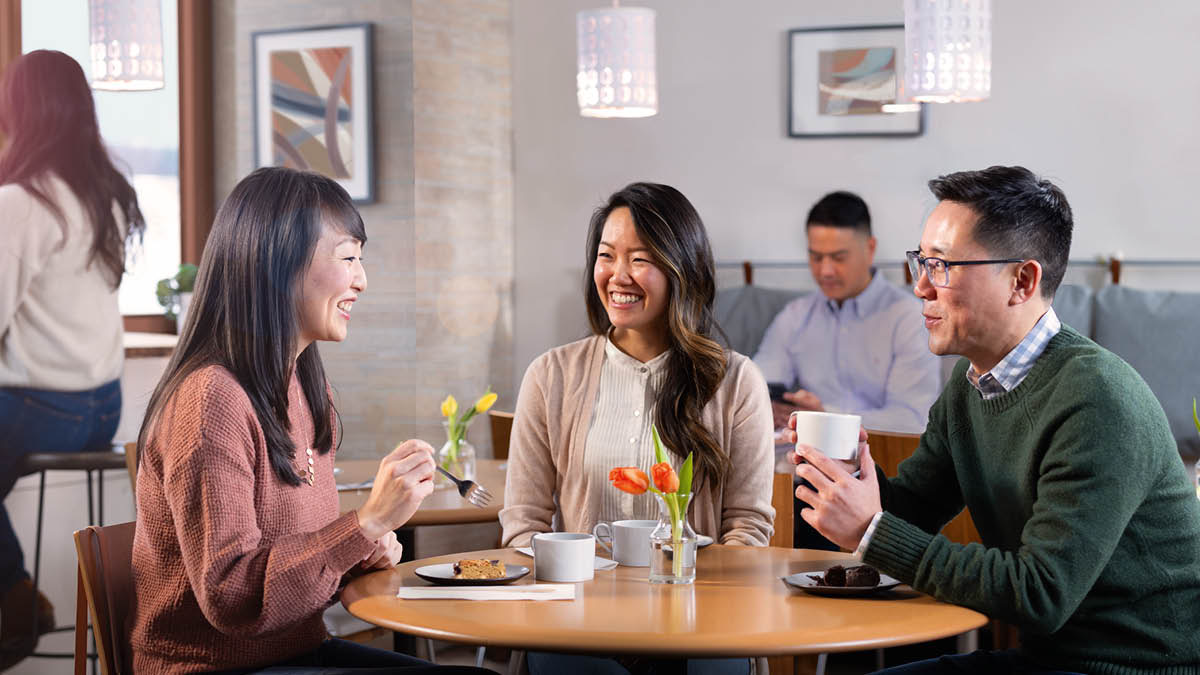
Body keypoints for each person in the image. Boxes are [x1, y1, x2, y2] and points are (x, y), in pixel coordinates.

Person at [788, 166, 1200, 674]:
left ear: (1021, 280)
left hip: (1135, 668)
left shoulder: (1097, 399)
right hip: (1053, 659)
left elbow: (1040, 594)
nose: (920, 287)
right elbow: (910, 508)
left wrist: (872, 531)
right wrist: (840, 473)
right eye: (920, 262)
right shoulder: (971, 384)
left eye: (941, 266)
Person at [130, 167, 494, 675]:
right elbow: (232, 596)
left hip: (293, 651)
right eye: (348, 258)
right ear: (277, 265)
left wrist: (361, 547)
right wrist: (365, 522)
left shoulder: (302, 384)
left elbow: (293, 558)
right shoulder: (211, 400)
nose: (361, 280)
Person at [500, 182, 775, 675]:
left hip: (701, 622)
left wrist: (689, 600)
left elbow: (748, 528)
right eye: (607, 256)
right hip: (577, 621)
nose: (617, 275)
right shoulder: (551, 375)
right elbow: (523, 526)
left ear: (682, 270)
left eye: (641, 259)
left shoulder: (736, 381)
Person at [0, 50, 146, 669]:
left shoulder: (20, 200)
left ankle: (13, 598)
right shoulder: (101, 194)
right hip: (103, 407)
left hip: (42, 407)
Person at [754, 191, 941, 434]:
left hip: (886, 456)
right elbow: (760, 383)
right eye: (816, 257)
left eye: (838, 257)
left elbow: (913, 420)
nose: (826, 271)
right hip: (806, 453)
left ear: (870, 249)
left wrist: (826, 418)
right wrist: (767, 405)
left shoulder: (910, 319)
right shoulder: (795, 316)